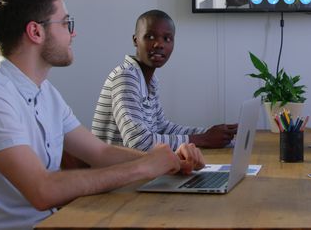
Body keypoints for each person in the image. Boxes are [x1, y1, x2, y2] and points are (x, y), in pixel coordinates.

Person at [0, 0, 205, 230]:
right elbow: (43, 190)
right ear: (36, 32)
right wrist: (145, 166)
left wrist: (169, 162)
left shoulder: (46, 92)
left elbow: (100, 152)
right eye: (66, 23)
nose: (73, 32)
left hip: (55, 222)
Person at [92, 10, 238, 150]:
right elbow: (138, 142)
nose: (159, 44)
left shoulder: (150, 80)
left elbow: (162, 128)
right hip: (116, 171)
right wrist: (204, 139)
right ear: (135, 41)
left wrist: (213, 133)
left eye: (167, 39)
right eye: (149, 37)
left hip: (137, 167)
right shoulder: (125, 77)